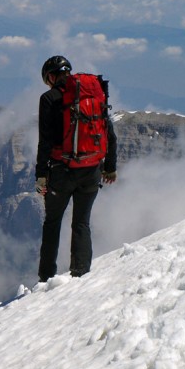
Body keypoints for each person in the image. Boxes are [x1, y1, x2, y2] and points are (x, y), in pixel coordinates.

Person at [35, 55, 117, 283]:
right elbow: (109, 134)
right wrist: (110, 167)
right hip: (92, 169)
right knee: (81, 223)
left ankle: (46, 277)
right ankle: (80, 274)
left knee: (52, 223)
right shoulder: (92, 94)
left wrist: (41, 175)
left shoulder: (49, 98)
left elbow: (45, 142)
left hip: (61, 171)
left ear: (51, 77)